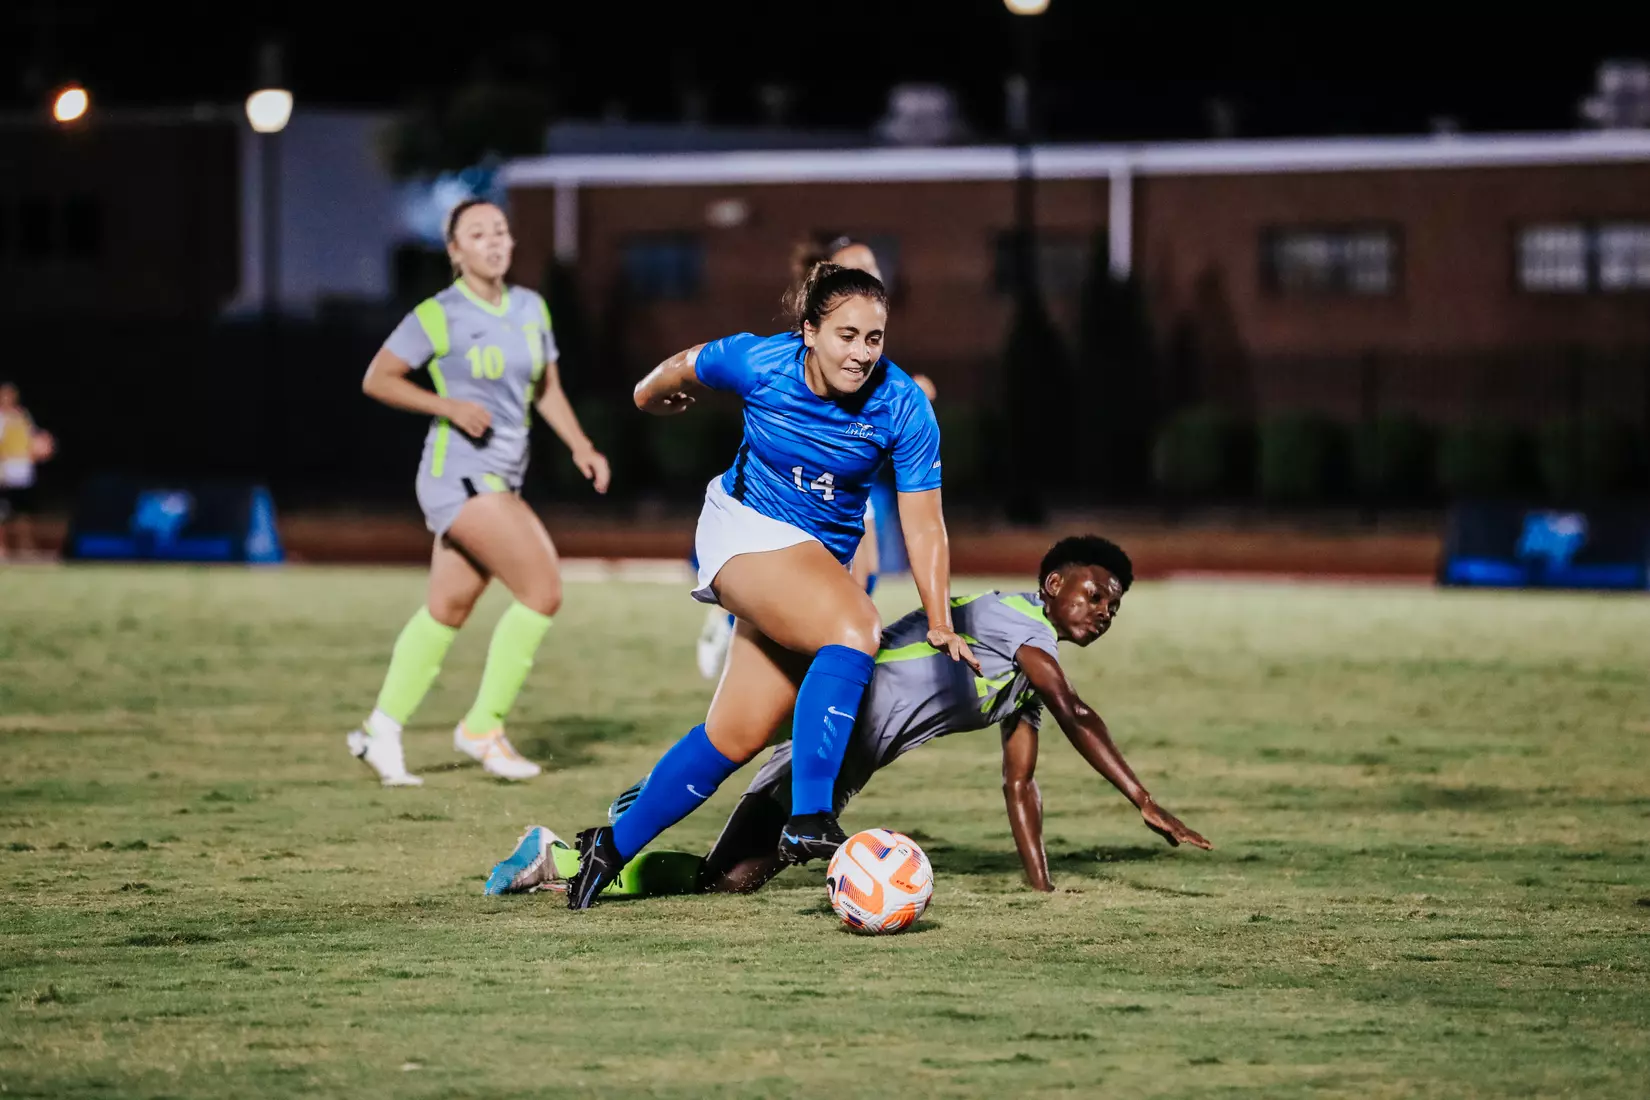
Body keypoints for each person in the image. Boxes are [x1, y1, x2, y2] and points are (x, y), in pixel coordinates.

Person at [563, 261, 977, 909]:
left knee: (735, 734)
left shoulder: (903, 405)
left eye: (874, 338)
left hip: (807, 561)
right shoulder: (758, 360)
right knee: (856, 627)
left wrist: (940, 618)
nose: (862, 352)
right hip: (742, 528)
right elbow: (677, 367)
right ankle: (809, 814)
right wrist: (648, 396)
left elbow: (925, 526)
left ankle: (612, 846)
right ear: (808, 331)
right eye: (846, 334)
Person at [484, 536, 1211, 899]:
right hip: (828, 712)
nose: (1104, 611)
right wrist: (1143, 799)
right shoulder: (1012, 620)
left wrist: (1042, 889)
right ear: (1054, 586)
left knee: (731, 880)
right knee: (723, 750)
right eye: (1094, 594)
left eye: (1114, 605)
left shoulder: (1022, 677)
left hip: (842, 764)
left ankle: (599, 846)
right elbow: (1075, 708)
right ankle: (567, 850)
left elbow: (1020, 786)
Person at [347, 198, 610, 786]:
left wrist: (580, 445)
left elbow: (547, 390)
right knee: (542, 589)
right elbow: (378, 378)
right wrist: (446, 405)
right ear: (455, 250)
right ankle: (483, 726)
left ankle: (379, 731)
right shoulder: (439, 314)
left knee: (447, 610)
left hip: (501, 474)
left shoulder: (530, 308)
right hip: (457, 474)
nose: (493, 241)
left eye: (500, 230)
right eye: (477, 233)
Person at [693, 234, 937, 679]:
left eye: (872, 269)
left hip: (848, 487)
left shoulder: (870, 347)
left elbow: (884, 401)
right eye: (855, 270)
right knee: (844, 602)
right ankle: (738, 623)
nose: (869, 277)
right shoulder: (787, 357)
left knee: (866, 572)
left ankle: (823, 651)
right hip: (797, 494)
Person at [0, 383, 54, 561]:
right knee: (3, 513)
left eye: (10, 395)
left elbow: (32, 439)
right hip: (5, 470)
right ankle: (3, 549)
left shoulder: (23, 415)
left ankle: (26, 548)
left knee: (24, 513)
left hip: (24, 472)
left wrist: (42, 446)